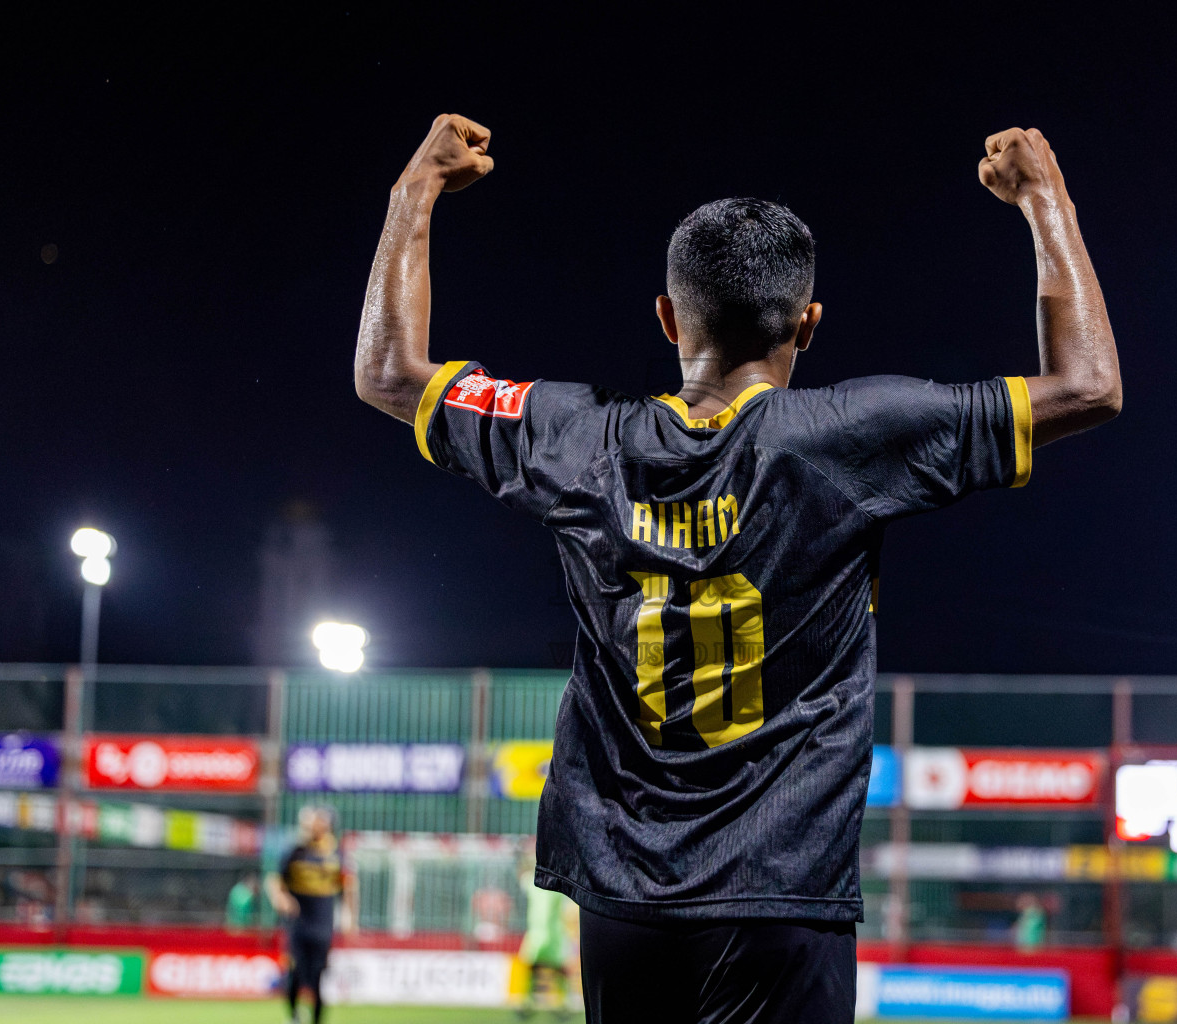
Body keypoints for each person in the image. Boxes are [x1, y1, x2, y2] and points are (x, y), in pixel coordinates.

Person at [354, 114, 1120, 1024]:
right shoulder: (854, 435)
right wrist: (1046, 201)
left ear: (669, 317)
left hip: (621, 896)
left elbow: (389, 373)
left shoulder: (574, 437)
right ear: (810, 322)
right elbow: (1089, 386)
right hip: (781, 893)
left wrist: (415, 192)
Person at [266, 806, 356, 1024]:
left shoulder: (336, 853)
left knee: (318, 976)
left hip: (323, 925)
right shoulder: (295, 850)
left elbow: (349, 885)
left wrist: (349, 915)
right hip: (298, 924)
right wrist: (281, 898)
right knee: (295, 972)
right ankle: (295, 1016)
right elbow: (274, 880)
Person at [518, 857, 577, 1020]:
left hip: (550, 933)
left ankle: (563, 1003)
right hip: (540, 932)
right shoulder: (535, 882)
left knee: (558, 968)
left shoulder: (545, 884)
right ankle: (530, 1002)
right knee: (533, 967)